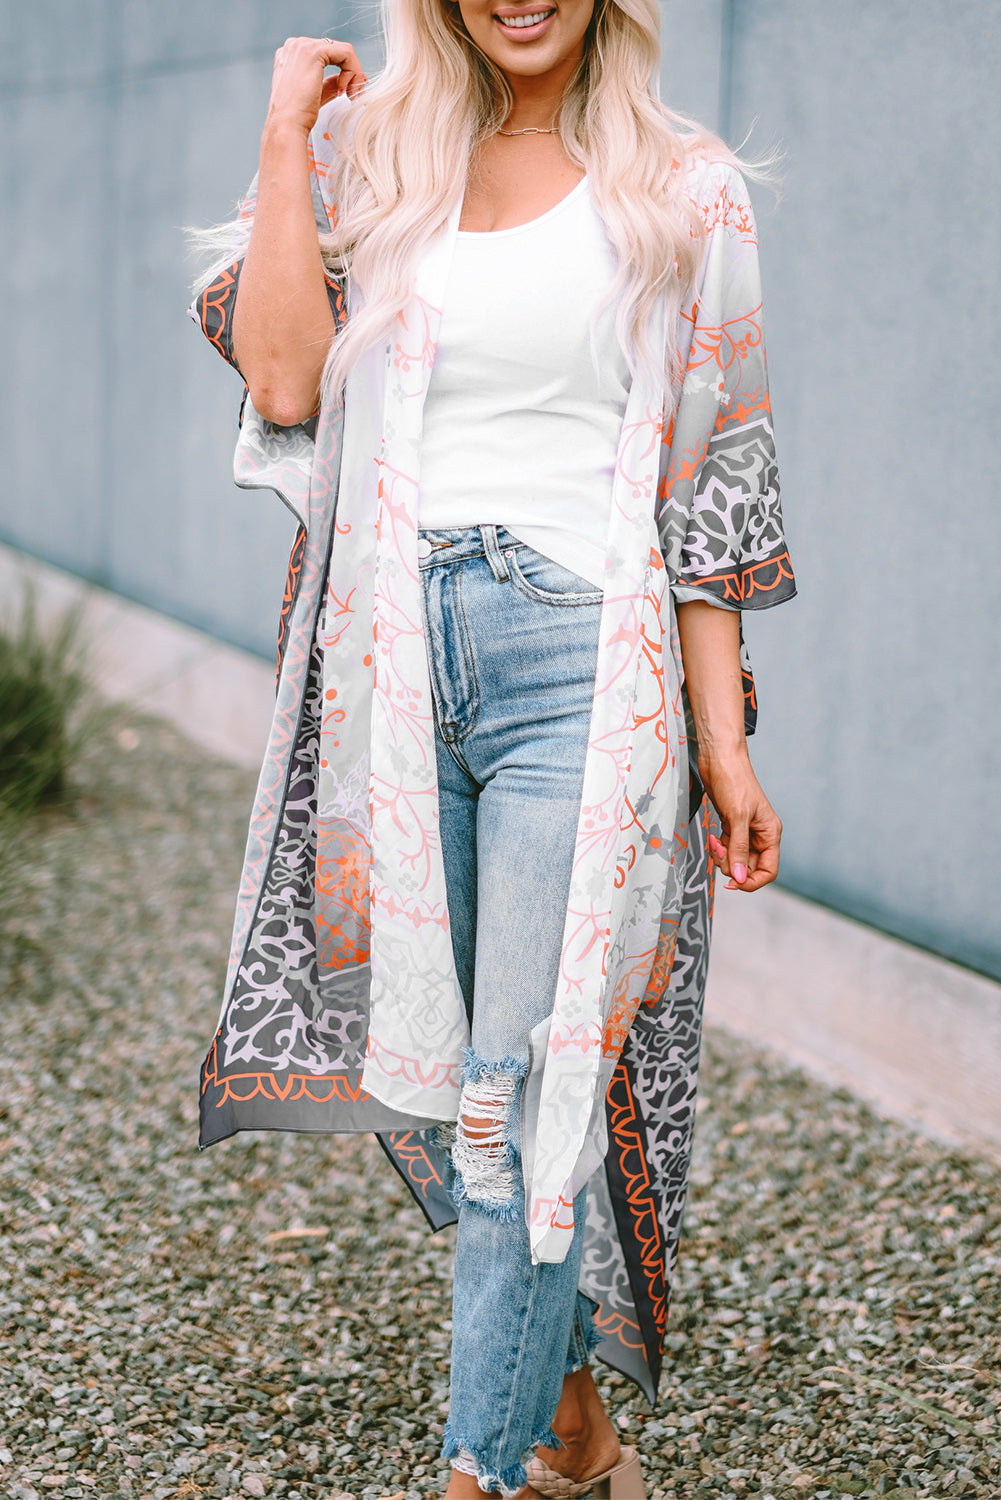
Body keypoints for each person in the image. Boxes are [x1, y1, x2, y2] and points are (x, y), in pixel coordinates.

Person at [189, 1, 795, 1495]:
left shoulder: (686, 188)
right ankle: (572, 1426)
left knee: (519, 1095)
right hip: (390, 674)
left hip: (582, 672)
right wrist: (286, 135)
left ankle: (478, 1473)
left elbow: (715, 479)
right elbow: (283, 382)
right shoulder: (371, 160)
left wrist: (724, 746)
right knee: (469, 1078)